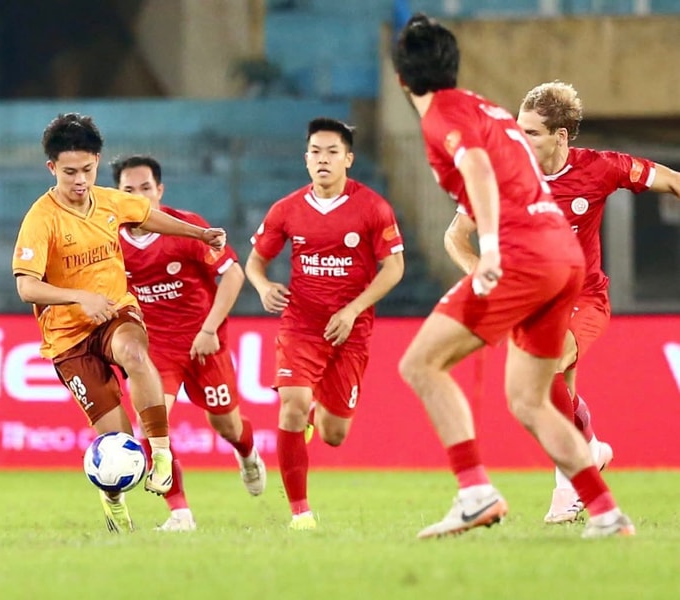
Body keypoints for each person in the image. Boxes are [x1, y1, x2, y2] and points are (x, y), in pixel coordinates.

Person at [392, 14, 634, 539]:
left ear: (401, 80)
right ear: (453, 66)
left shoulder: (441, 116)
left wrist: (492, 246)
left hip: (523, 256)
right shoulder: (486, 108)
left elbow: (477, 168)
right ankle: (606, 512)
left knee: (420, 364)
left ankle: (475, 493)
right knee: (530, 398)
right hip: (563, 256)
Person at [444, 80, 680, 524]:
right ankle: (583, 460)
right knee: (554, 398)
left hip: (585, 297)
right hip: (532, 302)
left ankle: (581, 466)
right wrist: (480, 271)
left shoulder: (602, 168)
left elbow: (670, 180)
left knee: (550, 367)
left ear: (561, 136)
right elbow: (455, 236)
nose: (519, 139)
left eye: (531, 132)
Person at [12, 114, 227, 534]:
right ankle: (113, 500)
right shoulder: (41, 219)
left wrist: (199, 235)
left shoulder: (109, 201)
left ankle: (162, 453)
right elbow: (26, 287)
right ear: (51, 168)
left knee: (133, 351)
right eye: (69, 172)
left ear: (97, 162)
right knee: (117, 443)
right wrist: (78, 296)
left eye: (87, 170)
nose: (79, 180)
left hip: (114, 313)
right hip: (66, 340)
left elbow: (147, 215)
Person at [245, 117, 406, 530]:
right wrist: (263, 287)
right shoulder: (287, 209)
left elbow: (394, 268)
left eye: (332, 152)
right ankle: (300, 513)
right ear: (306, 158)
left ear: (348, 159)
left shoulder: (372, 207)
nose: (323, 159)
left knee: (335, 434)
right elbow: (255, 262)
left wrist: (353, 309)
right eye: (316, 151)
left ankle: (320, 414)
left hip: (351, 331)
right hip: (300, 324)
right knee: (292, 405)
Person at [111, 154, 267, 532]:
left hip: (203, 340)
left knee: (226, 425)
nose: (139, 196)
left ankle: (247, 454)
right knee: (151, 426)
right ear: (117, 195)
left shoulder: (186, 228)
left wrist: (211, 329)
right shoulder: (110, 241)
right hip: (155, 348)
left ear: (159, 190)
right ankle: (179, 513)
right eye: (128, 190)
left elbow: (232, 276)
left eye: (145, 188)